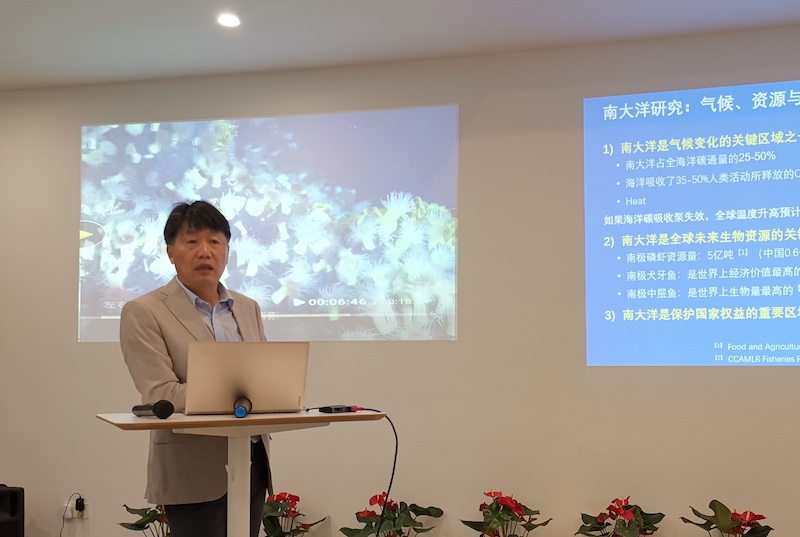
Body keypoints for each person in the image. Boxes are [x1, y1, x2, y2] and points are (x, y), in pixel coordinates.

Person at [120, 200, 270, 537]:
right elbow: (160, 392)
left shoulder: (248, 308)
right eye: (192, 241)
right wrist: (236, 399)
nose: (205, 251)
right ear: (171, 252)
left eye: (215, 242)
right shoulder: (144, 311)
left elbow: (263, 380)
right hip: (192, 466)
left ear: (227, 252)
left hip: (252, 458)